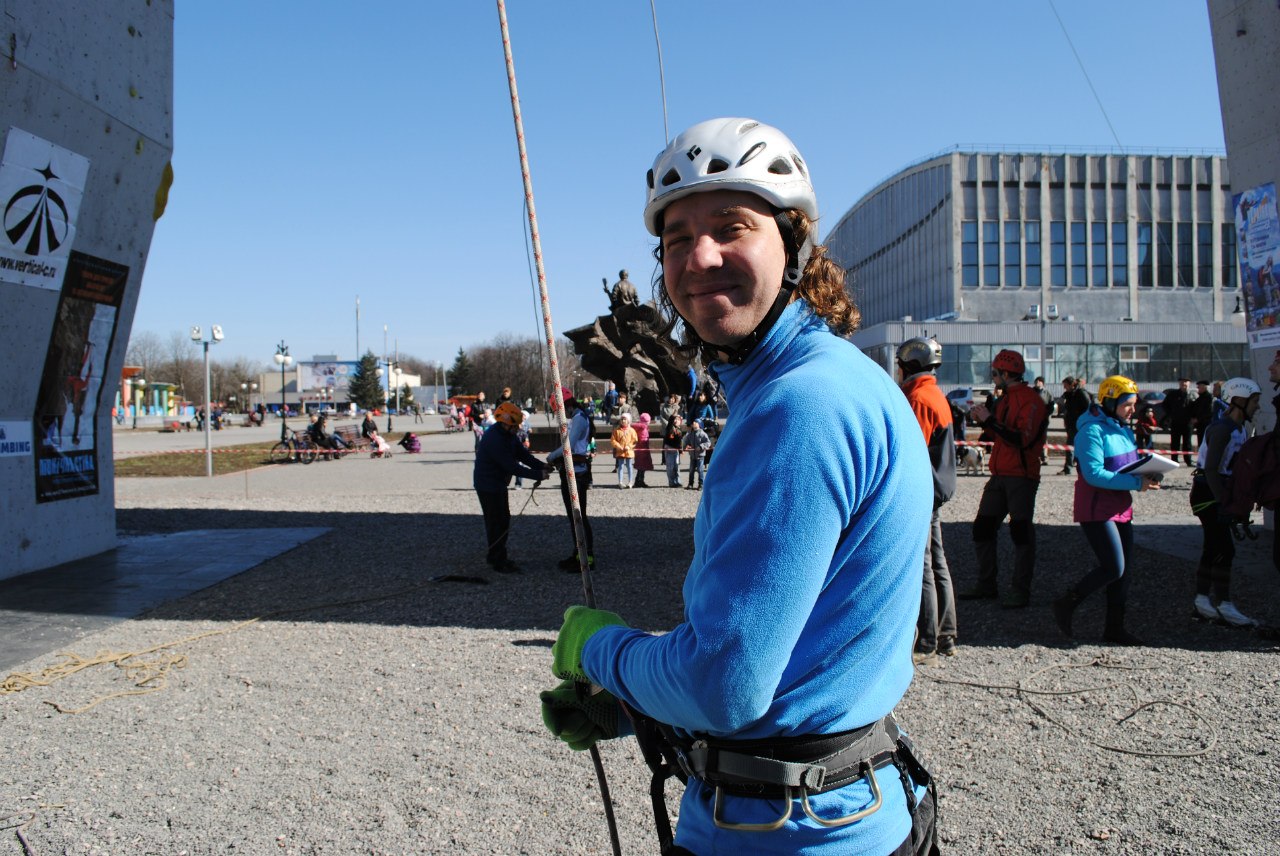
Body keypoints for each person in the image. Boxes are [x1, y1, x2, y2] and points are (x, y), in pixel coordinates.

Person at [538, 118, 936, 855]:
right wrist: (637, 704)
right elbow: (802, 661)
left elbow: (726, 687)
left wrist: (599, 652)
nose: (701, 256)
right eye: (678, 237)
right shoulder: (838, 378)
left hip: (784, 833)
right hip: (851, 805)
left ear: (795, 245)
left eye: (732, 226)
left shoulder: (800, 406)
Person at [1052, 375, 1161, 645]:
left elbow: (1128, 463)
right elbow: (1094, 475)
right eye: (1128, 404)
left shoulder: (1122, 427)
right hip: (1097, 509)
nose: (1133, 410)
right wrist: (1137, 483)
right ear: (1111, 401)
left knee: (1124, 572)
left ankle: (1114, 628)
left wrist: (1151, 472)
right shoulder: (1091, 431)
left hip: (1121, 507)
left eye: (1134, 404)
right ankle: (1066, 603)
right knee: (1114, 567)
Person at [961, 348, 1049, 608]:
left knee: (1021, 532)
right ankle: (987, 584)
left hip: (1021, 475)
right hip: (1000, 473)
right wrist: (982, 420)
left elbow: (1022, 439)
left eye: (994, 373)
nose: (992, 377)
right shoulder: (1007, 398)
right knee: (982, 528)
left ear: (1005, 373)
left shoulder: (1030, 401)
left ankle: (1020, 590)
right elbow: (998, 434)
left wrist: (990, 420)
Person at [896, 337, 958, 665]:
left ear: (909, 366)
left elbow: (911, 450)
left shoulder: (918, 397)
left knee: (923, 569)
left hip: (923, 491)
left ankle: (927, 642)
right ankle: (947, 635)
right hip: (937, 487)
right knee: (938, 563)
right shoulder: (935, 393)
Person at [1189, 376, 1263, 627]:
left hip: (1219, 493)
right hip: (1207, 493)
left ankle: (1201, 601)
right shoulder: (1223, 429)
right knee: (1224, 548)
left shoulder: (1242, 428)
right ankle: (1223, 603)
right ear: (1239, 400)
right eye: (1254, 401)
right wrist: (1224, 504)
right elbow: (1211, 470)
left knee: (1213, 547)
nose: (1258, 407)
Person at [472, 402, 548, 574]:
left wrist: (541, 466)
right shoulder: (494, 439)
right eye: (515, 425)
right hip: (487, 485)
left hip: (498, 483)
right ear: (505, 423)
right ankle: (497, 559)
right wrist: (538, 475)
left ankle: (497, 555)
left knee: (504, 520)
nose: (518, 428)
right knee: (495, 522)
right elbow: (511, 466)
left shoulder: (509, 435)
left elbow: (523, 455)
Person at [546, 390, 596, 572]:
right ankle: (578, 553)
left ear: (567, 406)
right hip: (572, 471)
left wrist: (551, 457)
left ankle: (586, 556)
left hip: (577, 473)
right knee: (574, 517)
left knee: (578, 516)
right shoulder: (578, 417)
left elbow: (570, 445)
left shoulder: (580, 418)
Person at [1059, 377, 1091, 475]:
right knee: (1070, 446)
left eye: (1066, 386)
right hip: (1071, 424)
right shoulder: (1068, 395)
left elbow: (1088, 408)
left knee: (1080, 447)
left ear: (1072, 384)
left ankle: (1083, 467)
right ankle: (1068, 468)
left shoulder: (1081, 393)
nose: (1064, 388)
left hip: (1080, 424)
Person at [1165, 378, 1195, 465]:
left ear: (1189, 383)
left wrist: (1194, 417)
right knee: (1175, 442)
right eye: (1182, 382)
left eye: (1186, 382)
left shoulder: (1192, 394)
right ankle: (1174, 460)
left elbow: (1197, 408)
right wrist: (1171, 414)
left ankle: (1188, 460)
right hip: (1176, 422)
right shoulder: (1173, 394)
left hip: (1187, 423)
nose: (1184, 383)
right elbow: (1165, 405)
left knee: (1187, 443)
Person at [611, 413, 638, 489]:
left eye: (625, 419)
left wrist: (628, 446)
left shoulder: (632, 431)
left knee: (629, 466)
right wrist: (618, 446)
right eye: (622, 419)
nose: (623, 421)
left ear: (628, 421)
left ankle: (630, 482)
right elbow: (613, 440)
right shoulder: (616, 431)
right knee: (621, 466)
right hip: (620, 451)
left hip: (629, 451)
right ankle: (620, 481)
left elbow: (634, 441)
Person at [681, 419, 710, 490]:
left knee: (700, 470)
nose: (693, 423)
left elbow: (708, 443)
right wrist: (684, 448)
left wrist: (701, 447)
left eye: (696, 422)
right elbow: (686, 441)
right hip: (692, 455)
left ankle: (701, 484)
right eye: (693, 422)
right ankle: (690, 484)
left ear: (699, 425)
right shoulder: (690, 434)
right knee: (691, 470)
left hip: (700, 455)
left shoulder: (702, 434)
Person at [1033, 377, 1055, 466]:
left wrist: (1046, 414)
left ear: (1042, 383)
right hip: (1033, 419)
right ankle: (1034, 456)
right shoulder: (1031, 392)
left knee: (1043, 438)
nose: (1036, 383)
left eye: (1038, 381)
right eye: (1035, 381)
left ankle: (1044, 457)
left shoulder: (1048, 393)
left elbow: (1051, 406)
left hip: (1044, 419)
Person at [662, 412, 684, 487]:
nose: (676, 421)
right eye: (675, 419)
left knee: (676, 467)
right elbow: (670, 421)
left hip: (676, 450)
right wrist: (673, 416)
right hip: (669, 449)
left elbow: (680, 442)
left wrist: (681, 450)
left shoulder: (679, 431)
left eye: (678, 420)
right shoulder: (670, 427)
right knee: (670, 467)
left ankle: (677, 481)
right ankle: (671, 482)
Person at [633, 412, 655, 487]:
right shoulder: (643, 427)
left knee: (640, 467)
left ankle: (638, 480)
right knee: (642, 467)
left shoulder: (639, 427)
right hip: (643, 449)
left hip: (639, 449)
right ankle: (640, 481)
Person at [1192, 380, 1213, 447]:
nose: (1198, 388)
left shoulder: (1209, 398)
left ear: (1204, 387)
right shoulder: (1200, 398)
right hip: (1200, 425)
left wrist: (1198, 419)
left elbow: (1208, 412)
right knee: (1201, 443)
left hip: (1206, 425)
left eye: (1199, 387)